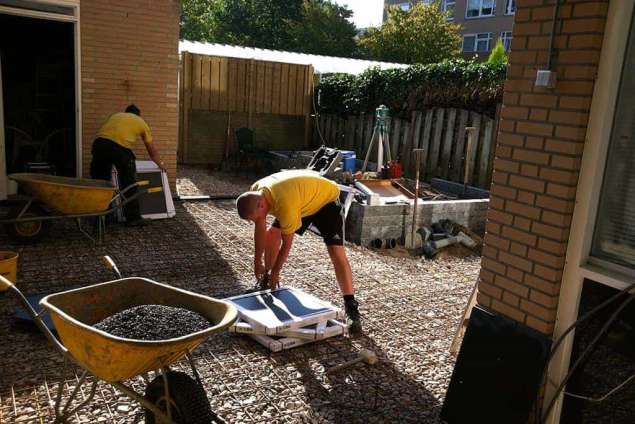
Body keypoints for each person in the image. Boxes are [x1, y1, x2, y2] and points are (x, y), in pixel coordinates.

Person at [236, 170, 362, 334]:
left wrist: (277, 271)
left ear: (261, 205)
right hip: (302, 199)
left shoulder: (285, 205)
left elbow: (287, 245)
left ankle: (351, 306)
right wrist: (257, 262)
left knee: (335, 251)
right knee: (272, 233)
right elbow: (260, 228)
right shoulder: (256, 192)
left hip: (326, 200)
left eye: (254, 218)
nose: (255, 222)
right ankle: (266, 279)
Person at [90, 104, 166, 226]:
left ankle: (102, 218)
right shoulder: (141, 122)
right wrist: (160, 164)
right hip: (119, 149)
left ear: (126, 112)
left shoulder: (115, 116)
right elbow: (152, 150)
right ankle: (133, 218)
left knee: (101, 182)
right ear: (138, 115)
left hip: (99, 145)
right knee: (129, 182)